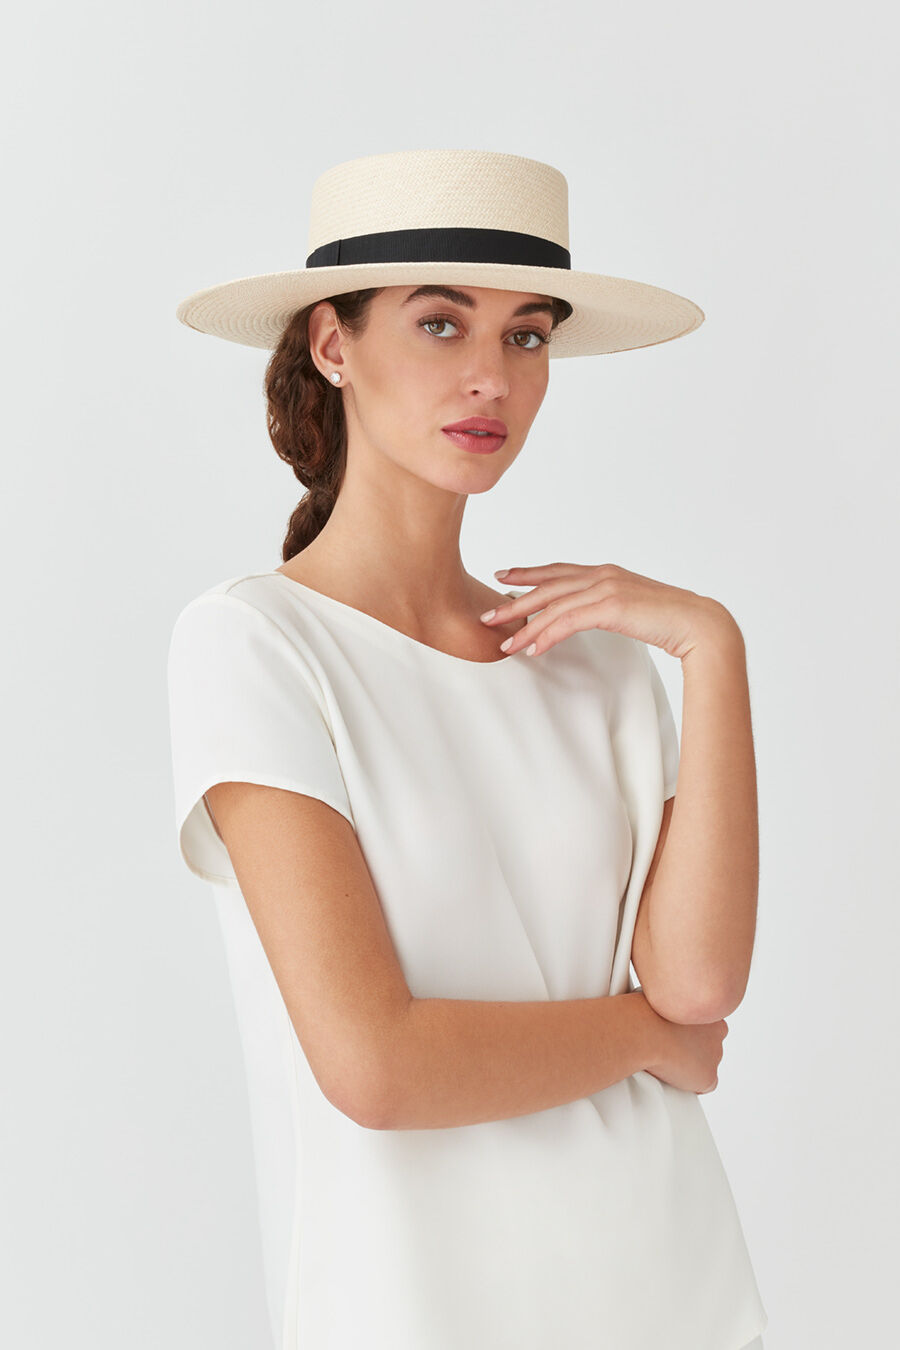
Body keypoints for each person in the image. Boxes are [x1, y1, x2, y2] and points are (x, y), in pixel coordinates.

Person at [166, 148, 768, 1350]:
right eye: (441, 324)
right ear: (332, 343)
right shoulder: (257, 645)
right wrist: (640, 1035)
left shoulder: (591, 659)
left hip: (672, 1291)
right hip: (413, 1312)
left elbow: (701, 985)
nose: (491, 377)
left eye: (528, 336)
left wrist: (713, 649)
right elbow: (377, 1067)